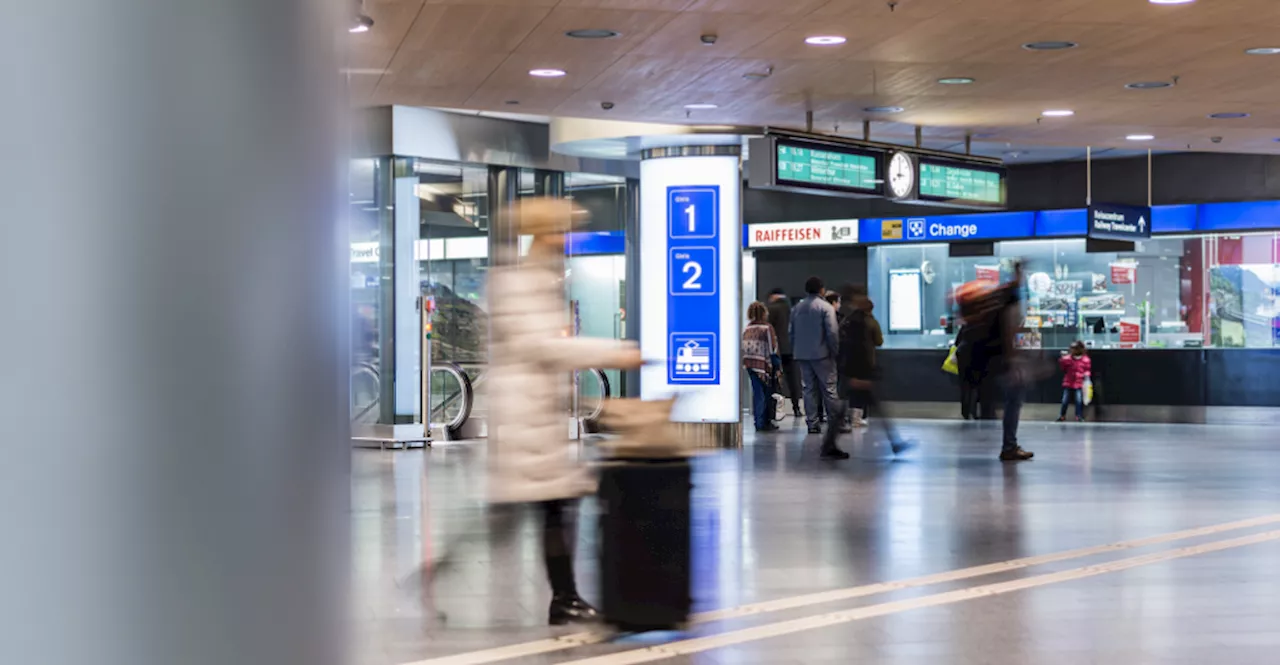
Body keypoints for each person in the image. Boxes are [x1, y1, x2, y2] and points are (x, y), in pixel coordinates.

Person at [421, 199, 642, 625]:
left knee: (526, 513)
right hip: (525, 420)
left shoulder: (539, 280)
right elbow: (542, 347)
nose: (565, 240)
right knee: (545, 509)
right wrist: (617, 352)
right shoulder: (515, 283)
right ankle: (562, 597)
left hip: (536, 416)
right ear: (543, 234)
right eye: (559, 231)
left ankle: (442, 577)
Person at [838, 284, 911, 454]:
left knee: (844, 408)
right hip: (860, 371)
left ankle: (895, 442)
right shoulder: (863, 321)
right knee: (870, 406)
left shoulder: (849, 320)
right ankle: (895, 442)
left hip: (854, 370)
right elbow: (873, 343)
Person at [790, 276, 849, 459]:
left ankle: (812, 424)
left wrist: (796, 349)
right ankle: (835, 423)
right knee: (829, 389)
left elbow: (791, 332)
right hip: (822, 355)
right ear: (821, 290)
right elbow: (832, 332)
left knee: (808, 389)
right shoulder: (825, 308)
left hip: (802, 354)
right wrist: (835, 351)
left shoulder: (796, 308)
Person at [743, 301, 781, 433]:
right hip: (764, 364)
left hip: (749, 363)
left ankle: (757, 422)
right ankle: (764, 422)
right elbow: (772, 348)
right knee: (767, 393)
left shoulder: (748, 327)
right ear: (764, 313)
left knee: (757, 393)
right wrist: (776, 364)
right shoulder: (767, 327)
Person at [767, 288, 803, 419]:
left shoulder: (772, 309)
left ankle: (774, 410)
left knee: (775, 380)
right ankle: (796, 408)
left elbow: (768, 329)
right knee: (793, 380)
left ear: (773, 296)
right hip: (792, 349)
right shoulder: (793, 309)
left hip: (777, 349)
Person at [1057, 341, 1092, 422]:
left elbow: (1087, 370)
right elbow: (1063, 367)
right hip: (1069, 381)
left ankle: (1078, 415)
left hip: (1078, 382)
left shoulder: (1085, 360)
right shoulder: (1068, 358)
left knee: (1078, 400)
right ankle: (1062, 415)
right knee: (1065, 400)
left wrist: (1085, 376)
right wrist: (1062, 359)